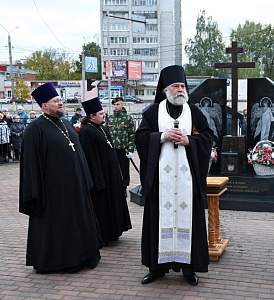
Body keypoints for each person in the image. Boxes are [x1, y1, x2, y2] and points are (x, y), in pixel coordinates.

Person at [135, 65, 213, 286]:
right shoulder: (152, 112)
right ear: (166, 89)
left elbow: (208, 136)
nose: (180, 90)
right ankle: (156, 269)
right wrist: (161, 136)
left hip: (187, 182)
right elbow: (141, 138)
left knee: (189, 221)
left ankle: (189, 270)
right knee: (157, 222)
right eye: (175, 86)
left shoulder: (195, 111)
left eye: (182, 86)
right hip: (161, 182)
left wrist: (190, 141)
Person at [19, 82, 102, 274]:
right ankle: (59, 262)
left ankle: (82, 257)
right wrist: (35, 194)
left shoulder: (66, 124)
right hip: (53, 192)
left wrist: (85, 180)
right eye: (56, 101)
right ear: (44, 105)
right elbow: (31, 165)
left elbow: (78, 153)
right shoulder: (35, 129)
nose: (61, 103)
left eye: (60, 100)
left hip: (76, 189)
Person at [80, 97, 132, 245]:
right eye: (101, 114)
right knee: (102, 208)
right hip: (101, 177)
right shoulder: (87, 132)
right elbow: (91, 159)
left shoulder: (102, 128)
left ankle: (114, 231)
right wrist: (98, 181)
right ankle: (103, 235)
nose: (104, 115)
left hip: (111, 176)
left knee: (113, 204)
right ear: (92, 116)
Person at [106, 97, 136, 196]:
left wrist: (131, 149)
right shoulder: (110, 118)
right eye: (114, 105)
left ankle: (123, 187)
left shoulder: (127, 118)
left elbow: (132, 134)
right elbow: (106, 133)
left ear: (122, 105)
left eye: (118, 104)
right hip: (112, 149)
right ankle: (114, 187)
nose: (116, 106)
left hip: (123, 148)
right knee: (113, 168)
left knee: (124, 169)